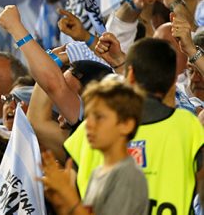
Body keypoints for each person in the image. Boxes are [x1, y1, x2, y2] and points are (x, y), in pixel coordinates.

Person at [65, 38, 204, 215]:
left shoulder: (91, 128)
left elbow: (69, 195)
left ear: (130, 75)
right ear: (173, 82)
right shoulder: (188, 126)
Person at [42, 77, 148, 215]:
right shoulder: (97, 173)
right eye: (88, 116)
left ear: (126, 124)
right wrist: (61, 202)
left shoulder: (128, 176)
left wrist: (69, 198)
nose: (89, 125)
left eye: (99, 117)